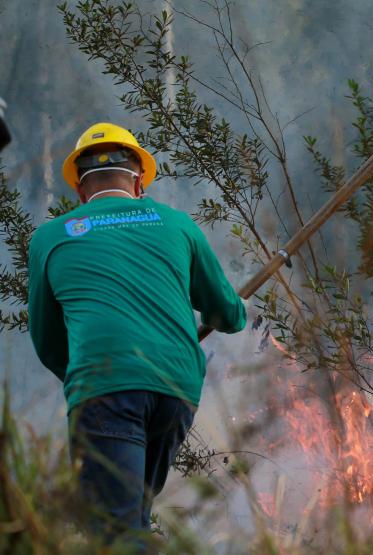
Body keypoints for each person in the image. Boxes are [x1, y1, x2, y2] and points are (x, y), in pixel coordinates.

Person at [27, 122, 246, 543]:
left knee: (116, 528)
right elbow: (227, 315)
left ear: (79, 190)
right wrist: (234, 311)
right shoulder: (178, 225)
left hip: (104, 387)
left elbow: (48, 342)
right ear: (139, 179)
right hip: (176, 388)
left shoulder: (51, 237)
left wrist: (89, 378)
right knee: (133, 515)